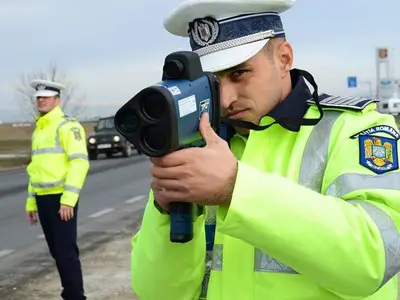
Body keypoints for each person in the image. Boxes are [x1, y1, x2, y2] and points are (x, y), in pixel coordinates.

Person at [131, 0, 400, 299]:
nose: (225, 100)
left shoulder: (354, 130)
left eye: (239, 73)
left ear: (284, 58)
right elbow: (157, 293)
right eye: (212, 83)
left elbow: (375, 261)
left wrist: (236, 189)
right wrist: (165, 212)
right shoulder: (200, 148)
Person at [25, 79, 89, 300]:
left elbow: (79, 163)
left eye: (46, 97)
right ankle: (69, 293)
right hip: (43, 199)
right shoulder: (39, 130)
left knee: (65, 253)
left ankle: (75, 297)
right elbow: (35, 169)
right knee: (56, 252)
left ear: (57, 100)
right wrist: (31, 202)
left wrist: (68, 200)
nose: (41, 101)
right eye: (38, 98)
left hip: (61, 199)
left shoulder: (67, 126)